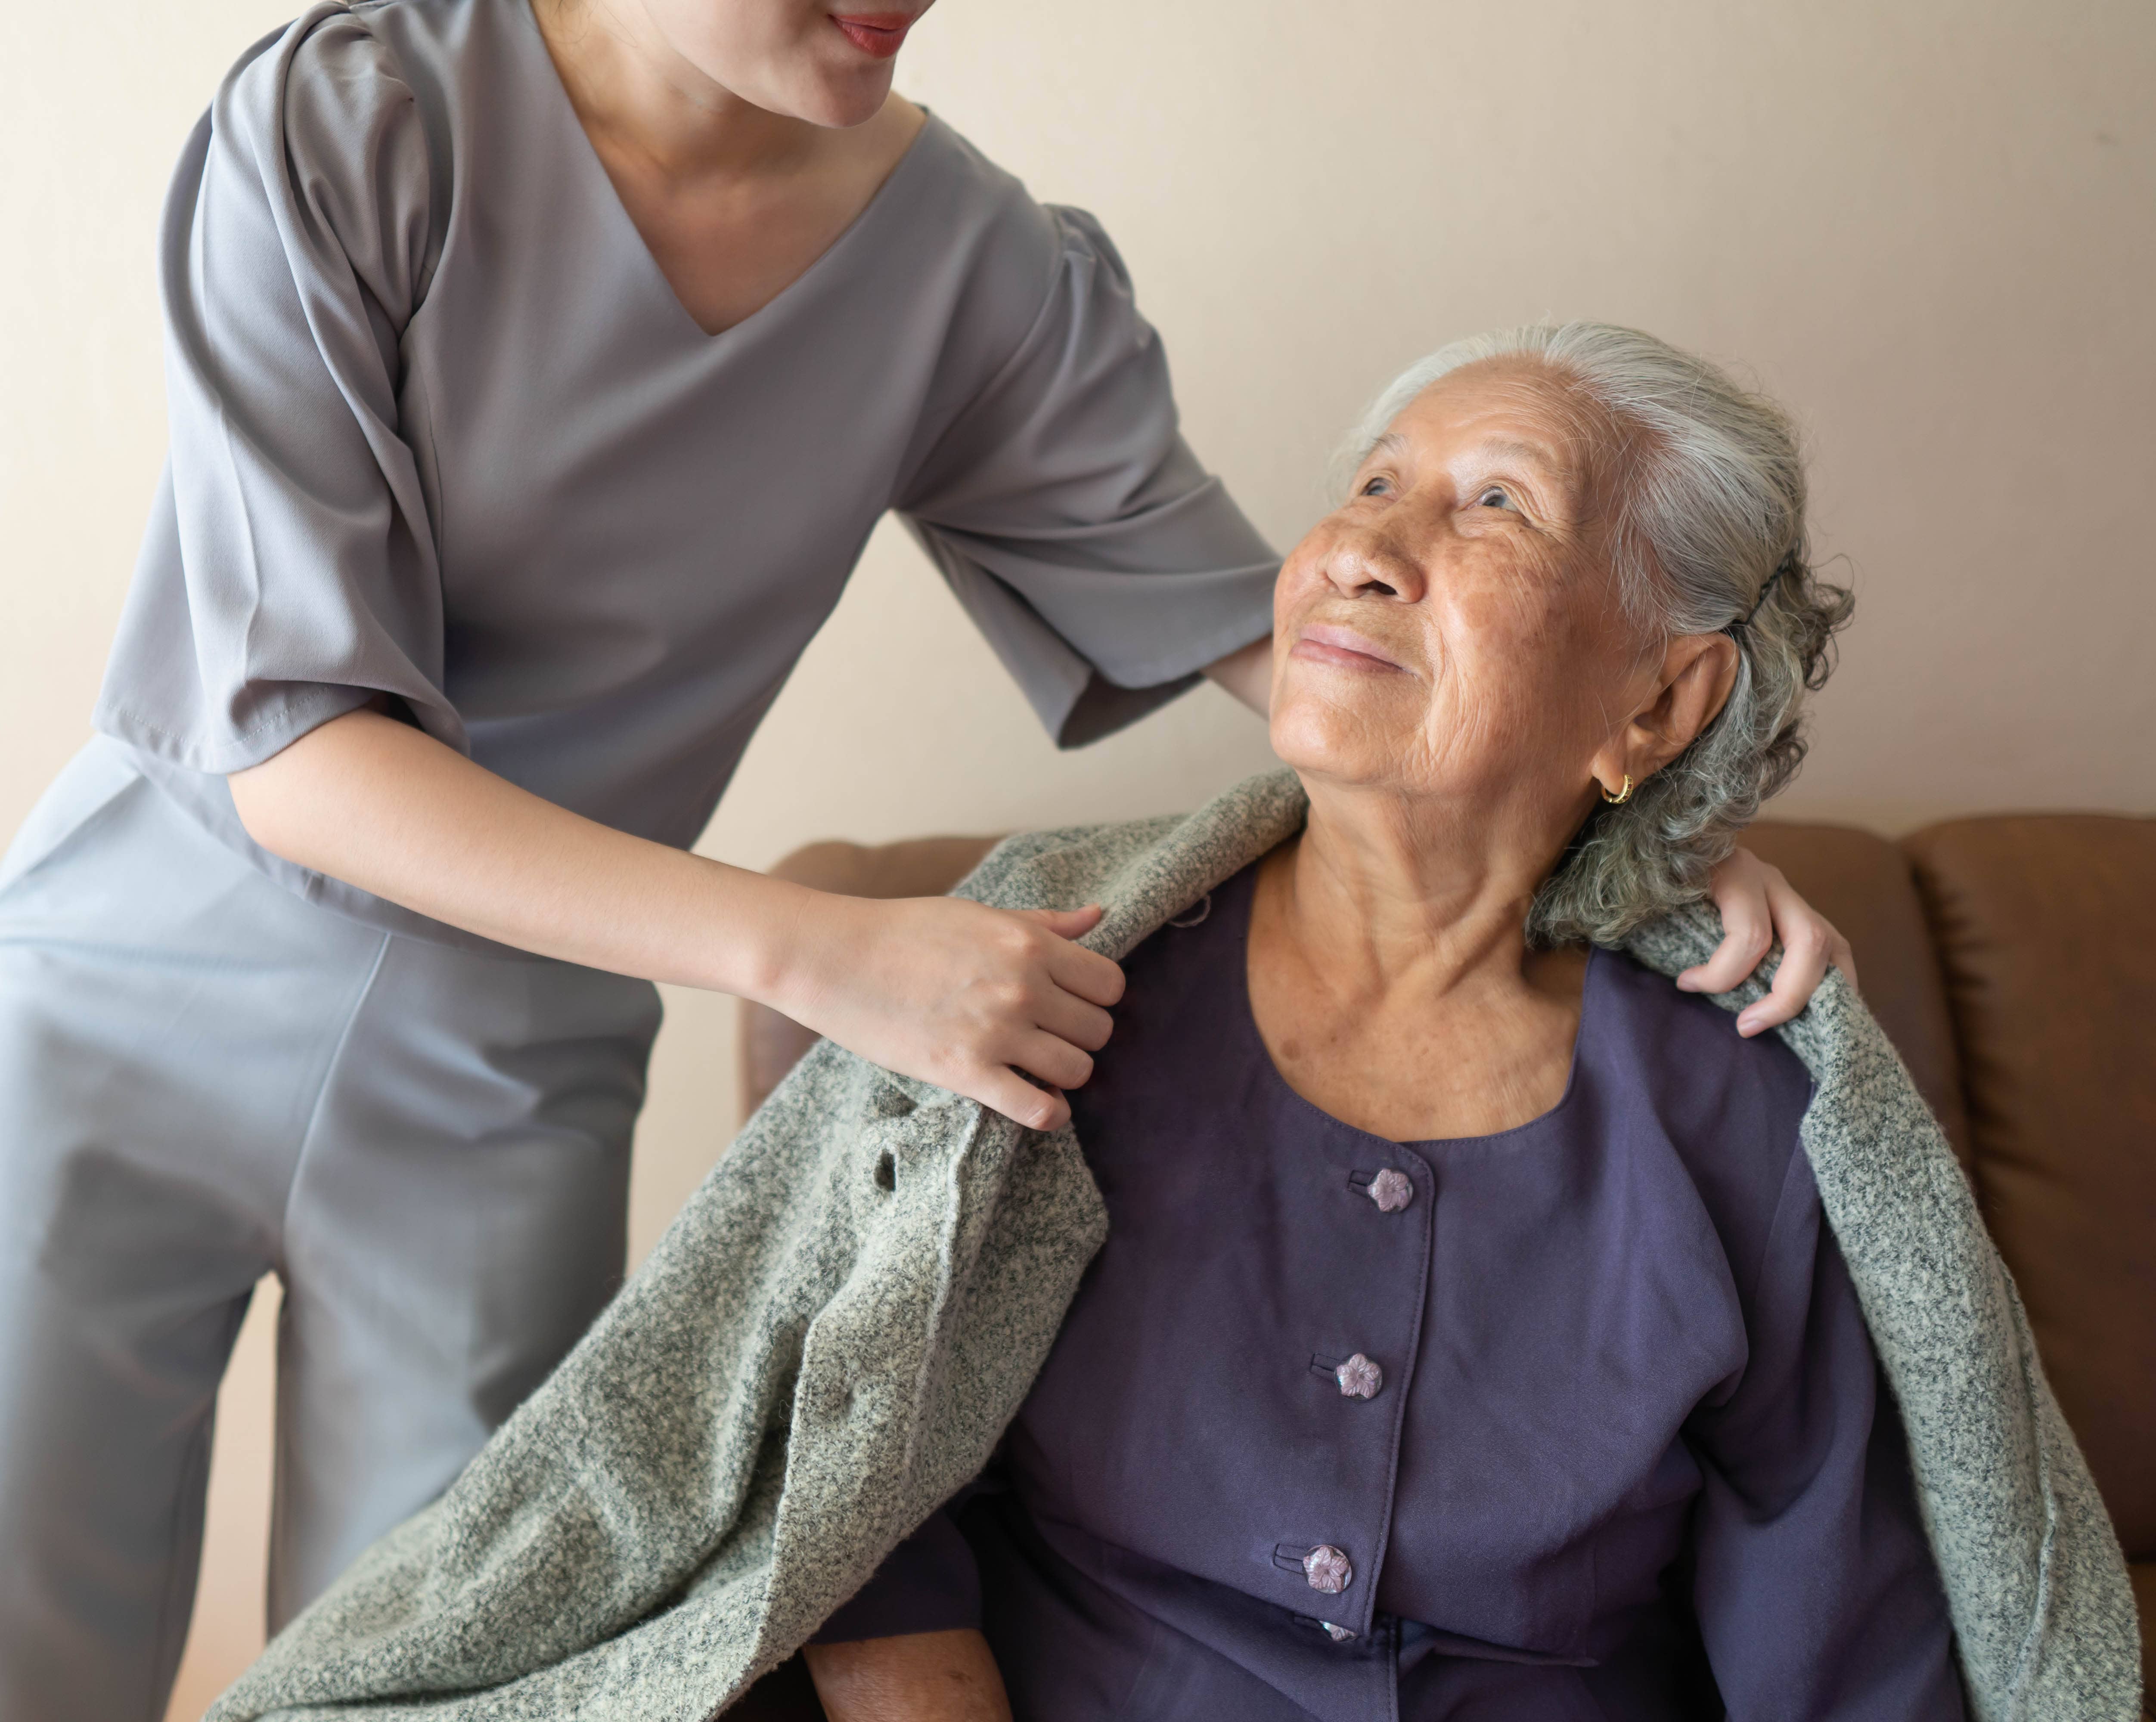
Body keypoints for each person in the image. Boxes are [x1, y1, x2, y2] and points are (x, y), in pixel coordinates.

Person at [0, 0, 1847, 1712]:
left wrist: (1653, 828)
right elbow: (294, 751)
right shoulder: (358, 117)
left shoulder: (971, 266)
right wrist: (820, 954)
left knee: (441, 1682)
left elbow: (1301, 633)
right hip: (124, 1008)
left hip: (509, 1087)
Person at [799, 324, 1964, 1718]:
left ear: (1659, 698)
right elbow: (853, 1499)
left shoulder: (1742, 1091)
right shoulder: (1048, 980)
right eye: (1370, 486)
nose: (1366, 549)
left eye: (1496, 504)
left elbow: (1835, 1625)